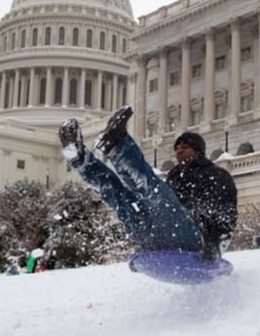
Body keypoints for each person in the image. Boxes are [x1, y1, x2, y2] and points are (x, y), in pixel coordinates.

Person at [59, 105, 237, 264]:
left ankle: (117, 144)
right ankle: (81, 160)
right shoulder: (176, 175)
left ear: (198, 150)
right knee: (123, 200)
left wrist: (215, 245)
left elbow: (225, 215)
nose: (179, 150)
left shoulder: (216, 175)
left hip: (195, 239)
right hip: (160, 234)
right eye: (176, 148)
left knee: (152, 192)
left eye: (185, 146)